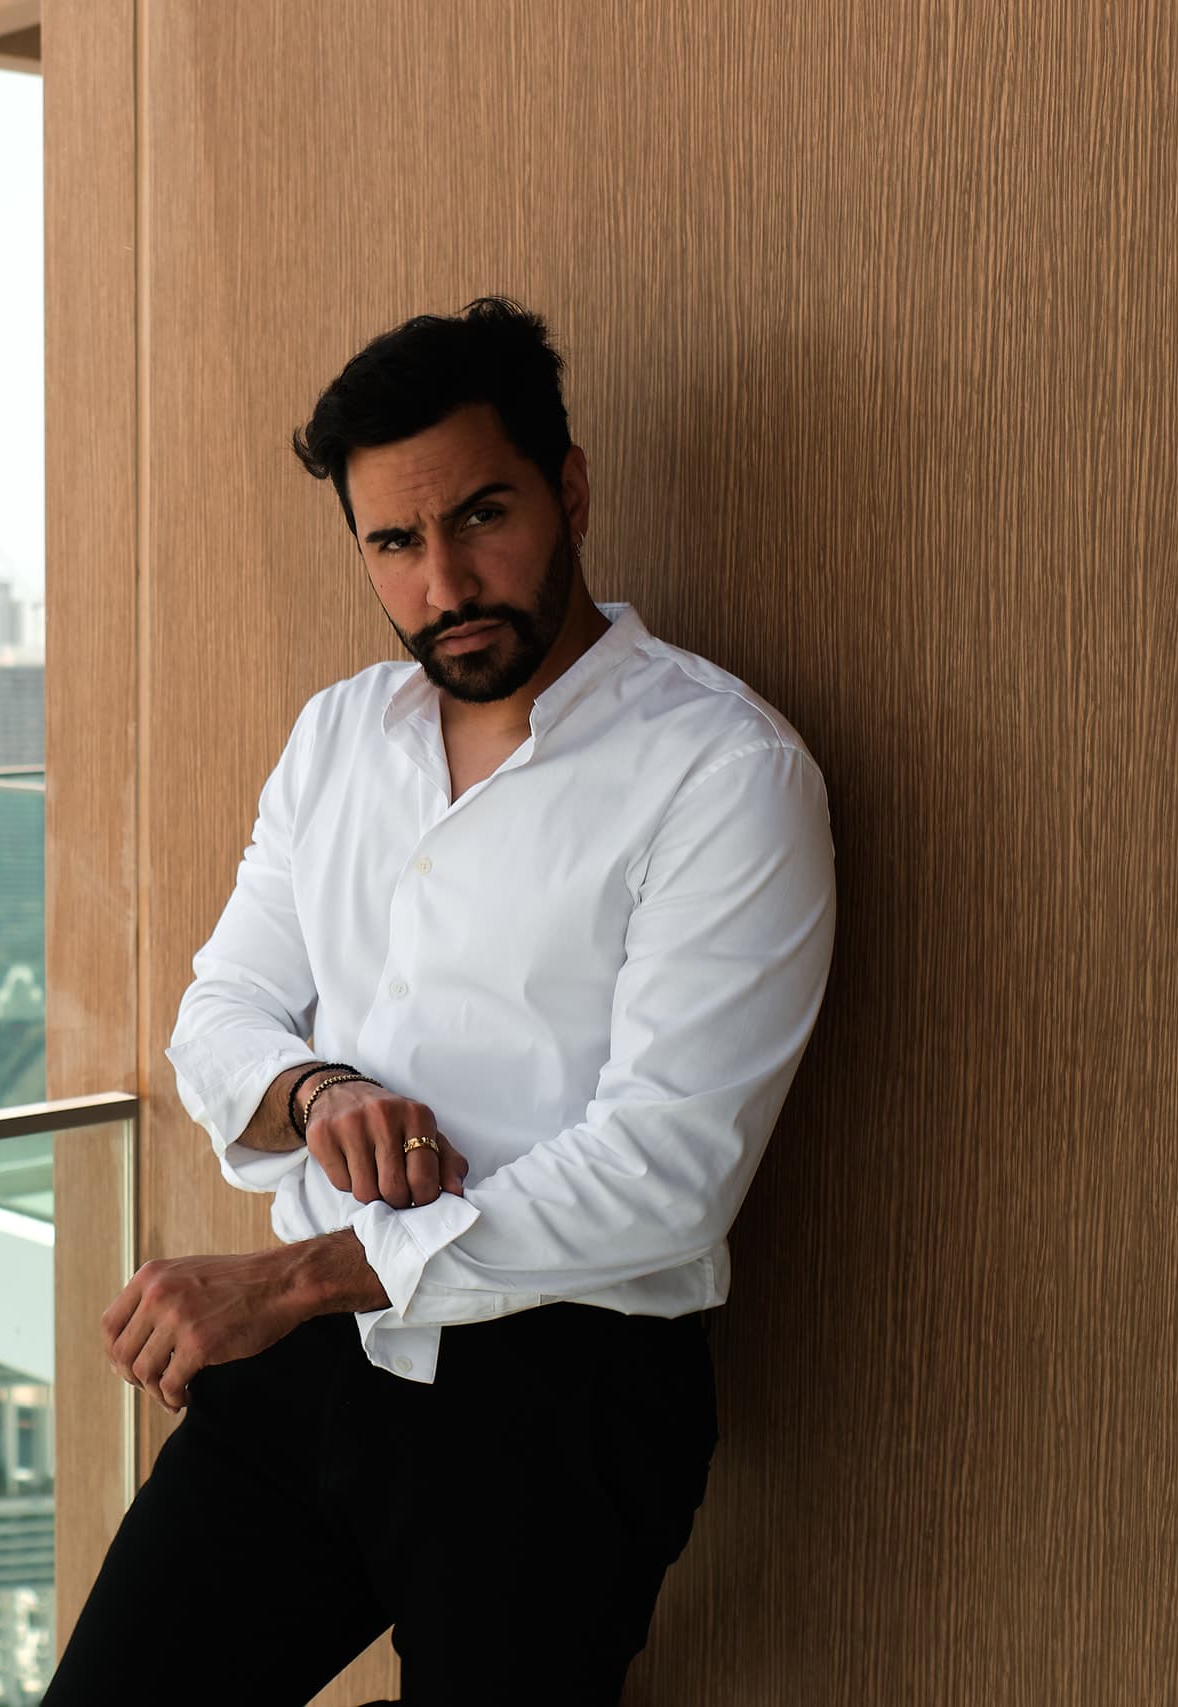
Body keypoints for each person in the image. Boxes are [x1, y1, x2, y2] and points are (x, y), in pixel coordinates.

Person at [43, 298, 838, 1705]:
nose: (446, 582)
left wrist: (287, 1280)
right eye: (396, 545)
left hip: (560, 1409)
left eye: (483, 516)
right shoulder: (339, 734)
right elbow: (221, 1011)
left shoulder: (725, 772)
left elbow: (669, 1176)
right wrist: (317, 1093)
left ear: (569, 488)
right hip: (309, 1376)